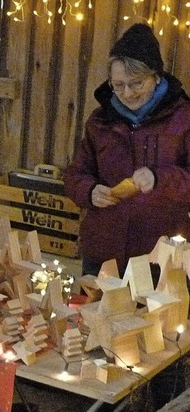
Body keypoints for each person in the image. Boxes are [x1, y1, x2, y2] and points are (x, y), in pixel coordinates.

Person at [64, 23, 190, 278]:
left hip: (160, 256)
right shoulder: (100, 121)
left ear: (156, 77)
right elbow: (75, 173)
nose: (127, 93)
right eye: (118, 85)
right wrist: (89, 191)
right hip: (103, 251)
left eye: (136, 84)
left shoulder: (183, 119)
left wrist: (159, 178)